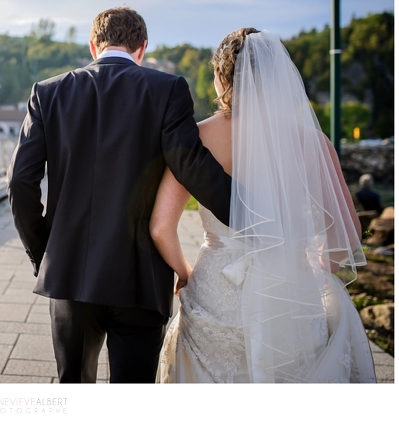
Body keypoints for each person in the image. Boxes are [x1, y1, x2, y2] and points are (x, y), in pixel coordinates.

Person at [6, 6, 232, 383]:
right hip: (140, 279)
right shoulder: (167, 90)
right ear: (142, 48)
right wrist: (249, 212)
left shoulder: (47, 93)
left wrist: (45, 253)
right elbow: (191, 166)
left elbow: (19, 183)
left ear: (93, 46)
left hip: (70, 275)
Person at [153, 28, 376, 383]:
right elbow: (347, 232)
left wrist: (185, 272)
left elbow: (161, 227)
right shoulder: (312, 142)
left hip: (216, 288)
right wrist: (315, 268)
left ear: (222, 77)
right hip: (291, 287)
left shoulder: (197, 139)